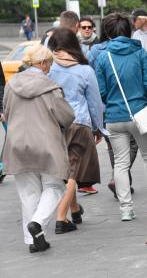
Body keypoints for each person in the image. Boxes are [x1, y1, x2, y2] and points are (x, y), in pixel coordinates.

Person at [95, 13, 147, 220]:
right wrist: (141, 97)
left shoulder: (102, 56)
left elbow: (101, 91)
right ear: (128, 30)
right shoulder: (139, 53)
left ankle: (126, 208)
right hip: (139, 111)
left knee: (120, 163)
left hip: (114, 116)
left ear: (107, 32)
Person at [3, 44, 75, 253]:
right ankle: (38, 222)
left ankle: (33, 240)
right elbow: (66, 116)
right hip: (46, 145)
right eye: (50, 63)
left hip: (16, 144)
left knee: (28, 192)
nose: (50, 68)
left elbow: (6, 113)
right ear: (42, 63)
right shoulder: (50, 87)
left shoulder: (11, 85)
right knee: (55, 186)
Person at [48, 27, 106, 233]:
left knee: (67, 167)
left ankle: (74, 209)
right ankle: (61, 218)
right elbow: (95, 104)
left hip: (54, 124)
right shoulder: (84, 70)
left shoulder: (49, 67)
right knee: (73, 171)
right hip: (79, 122)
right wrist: (98, 128)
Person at [88, 20, 138, 199]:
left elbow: (92, 79)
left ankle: (121, 181)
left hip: (104, 104)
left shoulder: (95, 51)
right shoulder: (134, 49)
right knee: (132, 143)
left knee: (114, 145)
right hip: (130, 103)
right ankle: (118, 179)